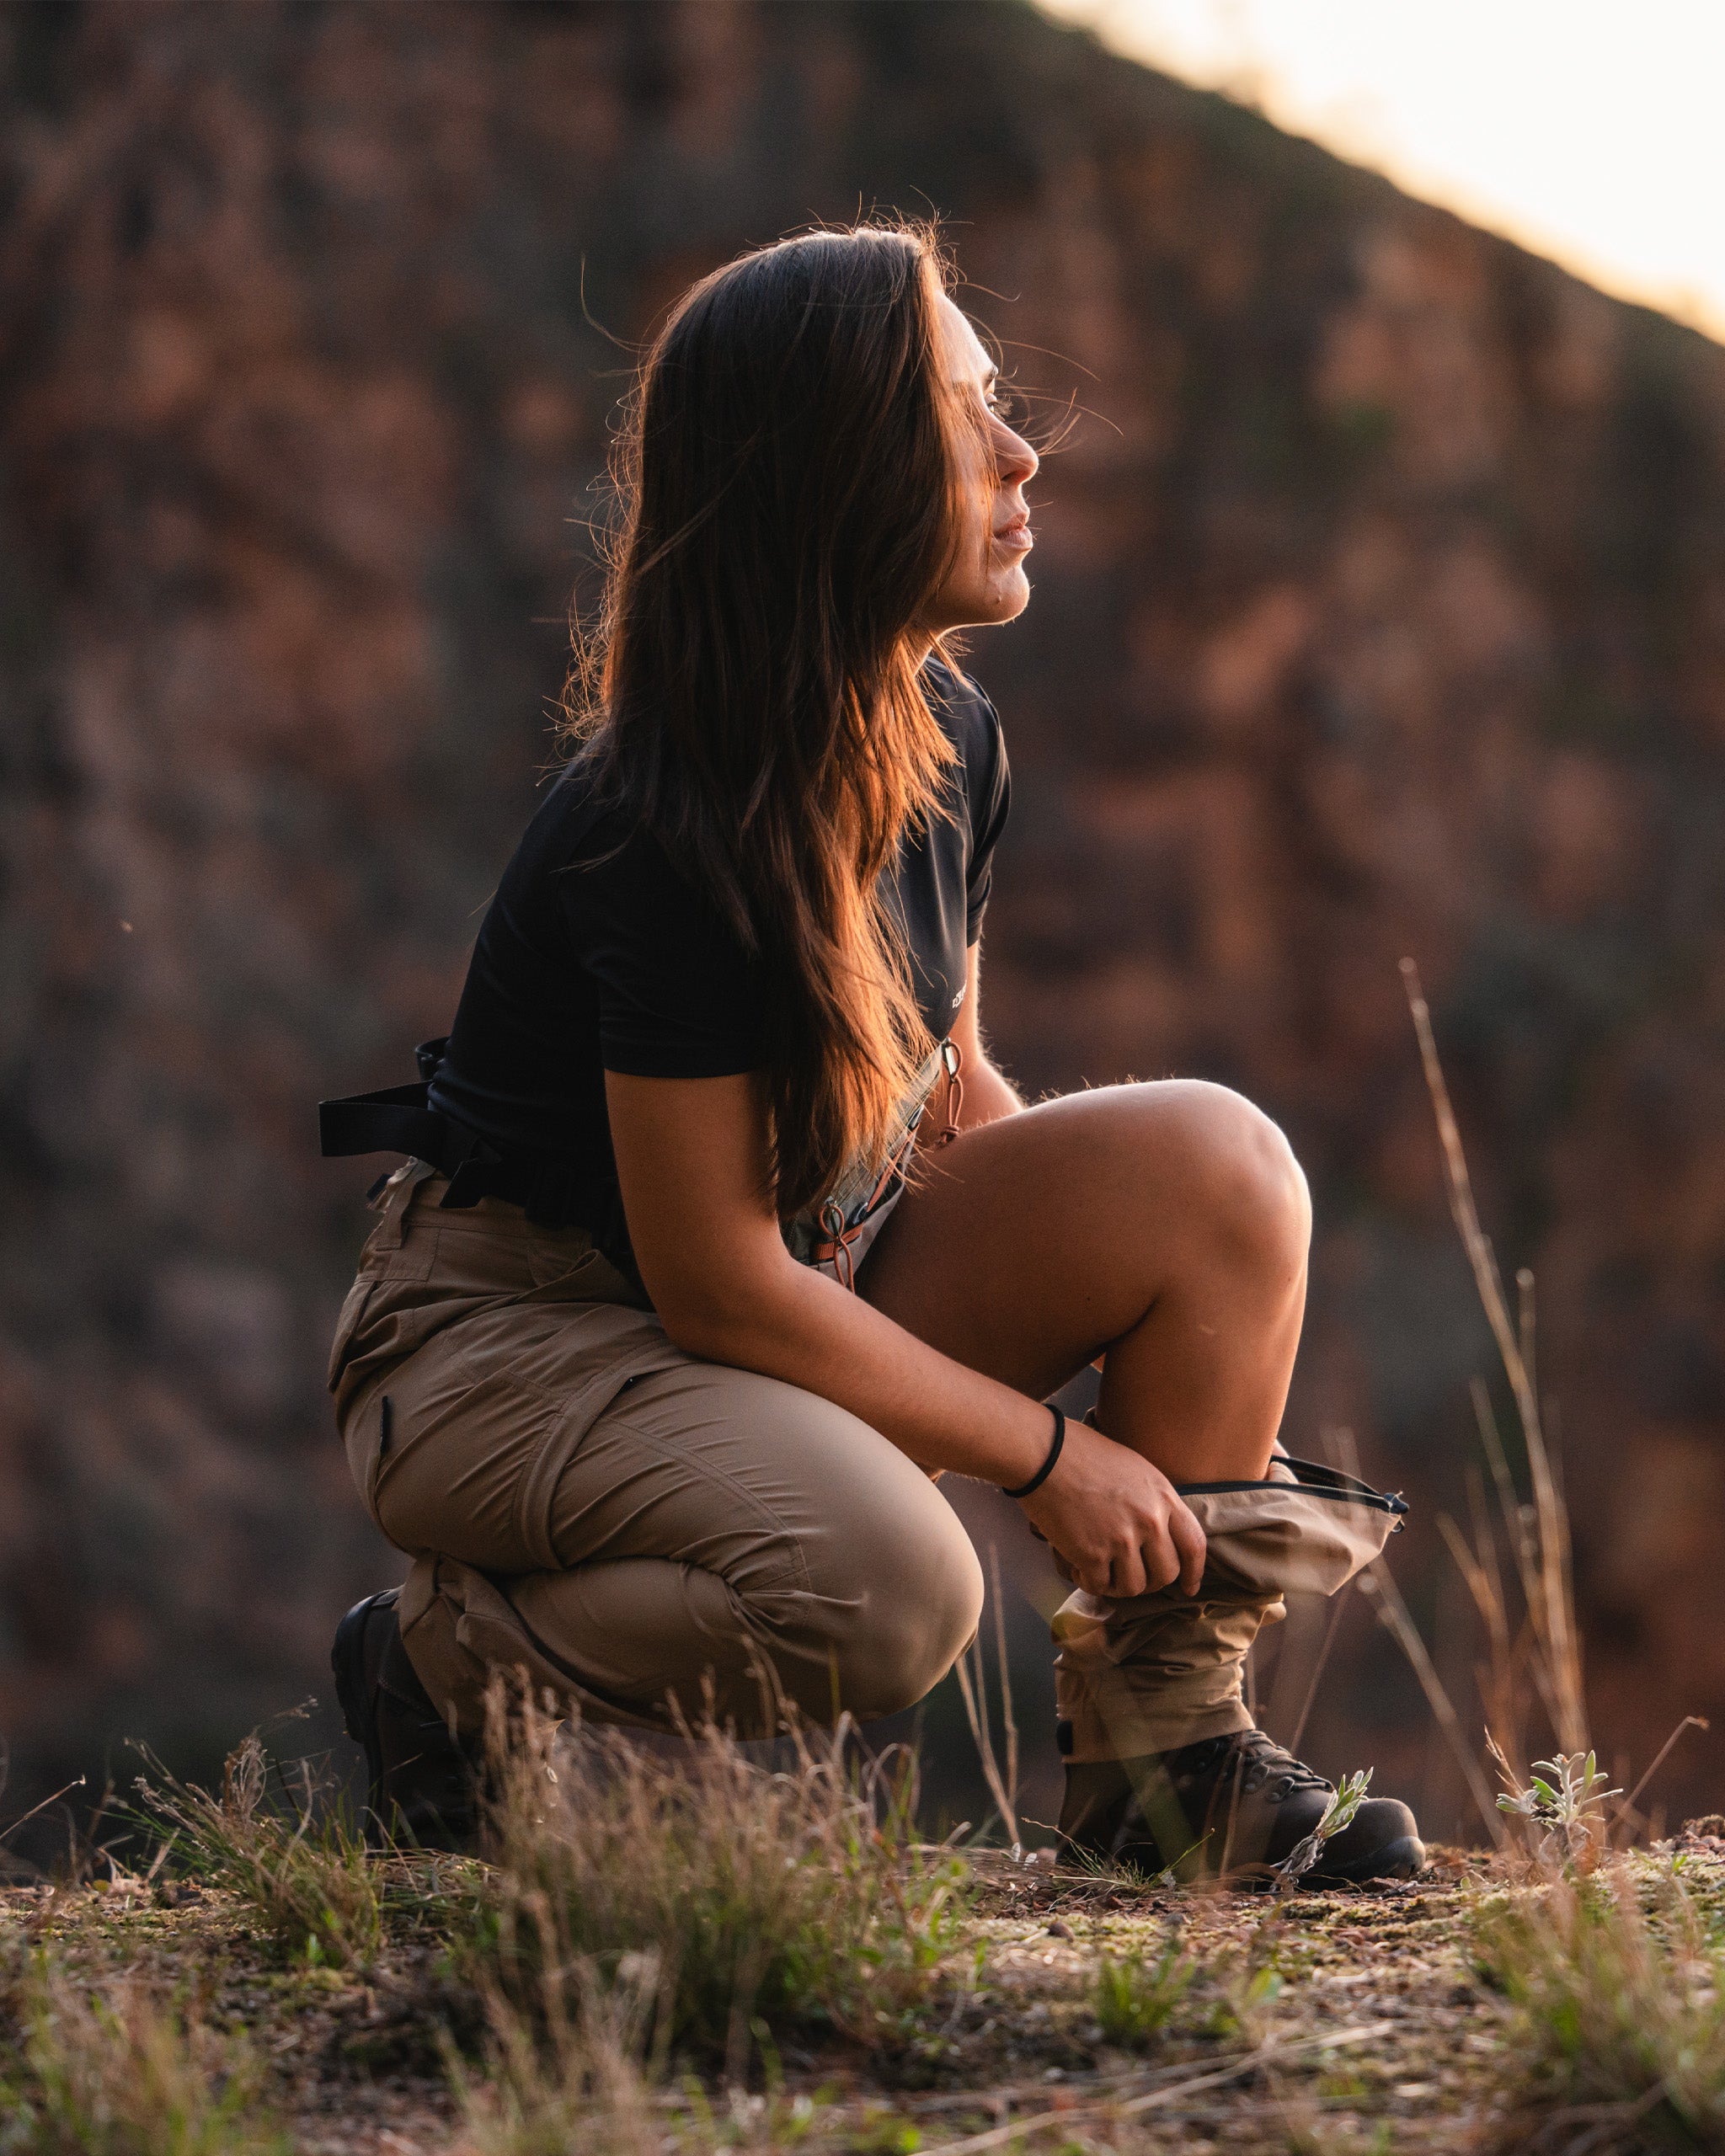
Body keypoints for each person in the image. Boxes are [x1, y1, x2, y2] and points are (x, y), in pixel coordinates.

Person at [320, 221, 1423, 1883]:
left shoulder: (949, 736)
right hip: (509, 1333)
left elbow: (949, 1110)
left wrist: (1140, 1358)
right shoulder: (663, 823)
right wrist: (1053, 1451)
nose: (1020, 450)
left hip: (779, 1288)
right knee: (893, 1589)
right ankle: (438, 1666)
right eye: (958, 416)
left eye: (1005, 406)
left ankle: (1163, 1756)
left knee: (1219, 1164)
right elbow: (716, 1288)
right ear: (826, 474)